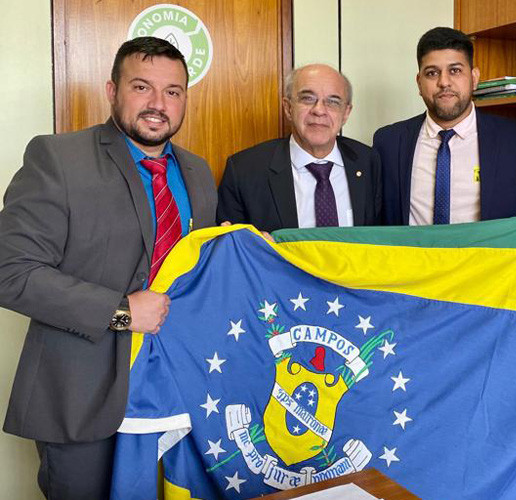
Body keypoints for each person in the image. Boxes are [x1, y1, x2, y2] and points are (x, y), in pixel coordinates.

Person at [0, 37, 218, 499]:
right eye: (142, 87)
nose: (158, 104)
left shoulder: (198, 173)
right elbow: (11, 272)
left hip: (177, 396)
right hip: (82, 399)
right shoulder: (58, 158)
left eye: (173, 91)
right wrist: (121, 311)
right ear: (111, 90)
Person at [372, 27, 516, 226]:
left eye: (455, 71)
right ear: (419, 83)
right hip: (414, 256)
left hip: (490, 255)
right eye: (432, 73)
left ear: (474, 78)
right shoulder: (388, 142)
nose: (444, 82)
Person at [216, 64, 382, 231]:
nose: (319, 110)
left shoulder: (368, 162)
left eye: (332, 102)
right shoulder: (244, 170)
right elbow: (230, 248)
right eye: (308, 99)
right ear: (288, 108)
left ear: (346, 113)